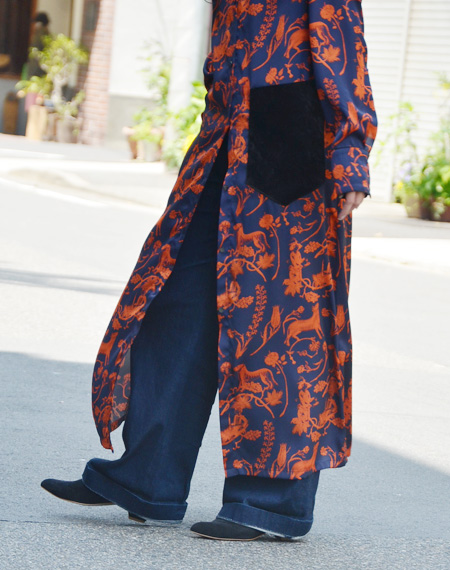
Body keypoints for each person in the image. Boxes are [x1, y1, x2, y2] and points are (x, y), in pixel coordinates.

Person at [41, 0, 377, 541]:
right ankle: (148, 478)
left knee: (279, 327)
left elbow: (342, 40)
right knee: (175, 301)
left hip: (291, 150)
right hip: (223, 140)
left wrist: (351, 153)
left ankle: (269, 504)